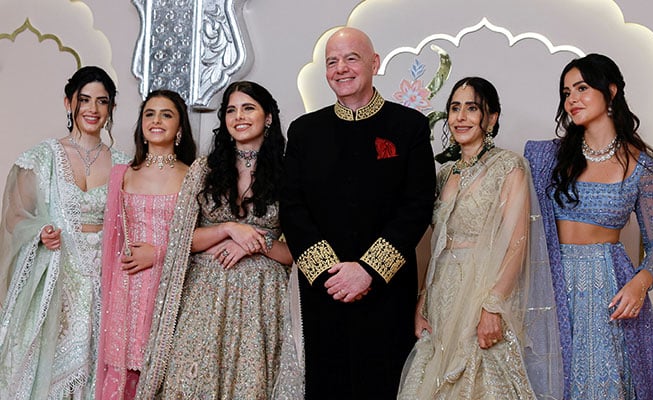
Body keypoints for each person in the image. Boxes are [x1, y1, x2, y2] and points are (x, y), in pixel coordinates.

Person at [279, 27, 436, 399]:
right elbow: (292, 208)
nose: (341, 68)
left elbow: (415, 207)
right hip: (324, 289)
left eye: (351, 58)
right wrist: (329, 273)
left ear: (374, 63)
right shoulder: (304, 131)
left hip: (387, 290)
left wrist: (368, 271)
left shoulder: (409, 126)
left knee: (384, 385)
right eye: (332, 61)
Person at [135, 81, 303, 399]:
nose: (238, 116)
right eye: (231, 110)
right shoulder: (205, 170)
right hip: (204, 296)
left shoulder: (289, 173)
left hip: (261, 302)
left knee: (250, 386)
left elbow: (297, 252)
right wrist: (229, 229)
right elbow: (182, 239)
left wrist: (257, 242)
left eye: (248, 108)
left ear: (268, 117)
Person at [397, 77, 562, 399]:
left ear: (492, 117)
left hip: (482, 290)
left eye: (472, 108)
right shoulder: (445, 173)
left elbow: (517, 242)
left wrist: (492, 307)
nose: (460, 117)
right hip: (442, 292)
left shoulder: (509, 166)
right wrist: (423, 301)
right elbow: (438, 243)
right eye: (455, 109)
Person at [524, 53, 653, 399]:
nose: (572, 99)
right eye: (566, 92)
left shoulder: (641, 166)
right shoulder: (547, 158)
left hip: (607, 287)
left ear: (612, 91)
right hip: (551, 282)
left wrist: (640, 283)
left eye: (582, 88)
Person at [0, 66, 129, 398]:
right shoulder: (42, 157)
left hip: (104, 282)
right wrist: (40, 232)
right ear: (68, 102)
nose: (92, 109)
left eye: (102, 102)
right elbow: (15, 217)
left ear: (112, 108)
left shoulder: (124, 164)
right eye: (84, 100)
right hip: (56, 278)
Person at [95, 89, 196, 399]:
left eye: (167, 114)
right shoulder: (122, 174)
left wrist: (161, 254)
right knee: (124, 373)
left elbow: (199, 238)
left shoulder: (193, 176)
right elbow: (112, 241)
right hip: (126, 289)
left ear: (179, 128)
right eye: (149, 114)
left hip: (172, 287)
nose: (156, 120)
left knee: (164, 371)